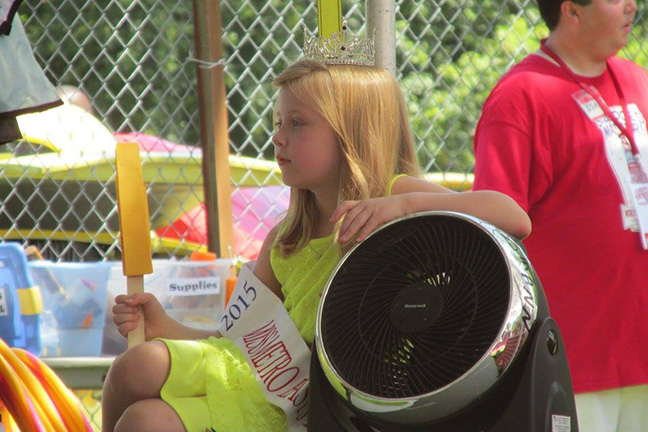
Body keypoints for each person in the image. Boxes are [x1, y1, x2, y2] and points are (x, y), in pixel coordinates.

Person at [102, 55, 531, 432]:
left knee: (140, 384)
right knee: (140, 407)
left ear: (350, 134)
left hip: (318, 407)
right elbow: (233, 339)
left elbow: (515, 219)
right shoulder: (286, 237)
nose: (279, 138)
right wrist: (165, 327)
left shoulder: (392, 195)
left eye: (298, 124)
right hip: (255, 383)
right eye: (278, 123)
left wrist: (402, 205)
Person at [472, 0, 648, 431]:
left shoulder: (637, 79)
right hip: (576, 360)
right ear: (572, 10)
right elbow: (496, 229)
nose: (631, 6)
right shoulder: (520, 96)